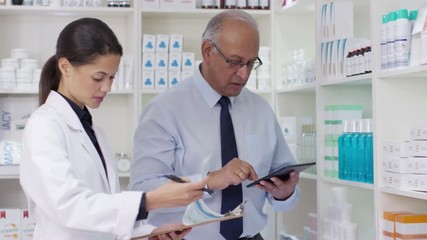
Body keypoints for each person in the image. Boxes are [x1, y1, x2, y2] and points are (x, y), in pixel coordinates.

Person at [19, 17, 208, 240]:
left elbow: (104, 212)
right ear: (65, 67)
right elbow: (69, 207)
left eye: (111, 77)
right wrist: (151, 200)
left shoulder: (93, 131)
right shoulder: (44, 126)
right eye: (98, 77)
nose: (107, 87)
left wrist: (150, 234)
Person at [129, 10, 300, 240]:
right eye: (236, 62)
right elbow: (142, 190)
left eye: (251, 63)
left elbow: (283, 185)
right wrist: (208, 179)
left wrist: (285, 193)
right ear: (207, 51)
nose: (244, 73)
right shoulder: (164, 110)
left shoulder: (261, 110)